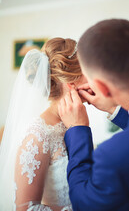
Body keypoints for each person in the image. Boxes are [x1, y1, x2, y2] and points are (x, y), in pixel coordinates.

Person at [58, 19, 129, 211]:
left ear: (102, 87)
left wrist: (78, 131)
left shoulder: (113, 156)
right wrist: (115, 110)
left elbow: (84, 204)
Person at [0, 37, 87, 211]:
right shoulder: (38, 134)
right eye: (89, 72)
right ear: (71, 82)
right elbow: (26, 208)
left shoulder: (75, 122)